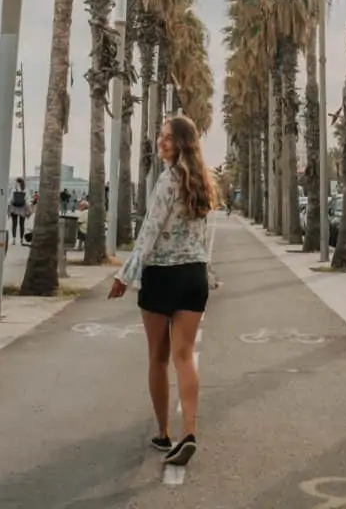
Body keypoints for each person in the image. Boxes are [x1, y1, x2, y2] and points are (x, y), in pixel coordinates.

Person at [108, 115, 215, 468]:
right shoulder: (201, 182)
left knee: (159, 357)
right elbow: (202, 237)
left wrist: (125, 274)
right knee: (184, 355)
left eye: (169, 138)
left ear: (183, 143)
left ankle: (165, 433)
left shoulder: (168, 180)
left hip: (162, 275)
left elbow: (150, 231)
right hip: (194, 277)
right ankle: (190, 431)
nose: (162, 141)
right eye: (161, 136)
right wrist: (206, 271)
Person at [9, 178, 29, 245]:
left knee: (14, 224)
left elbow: (11, 199)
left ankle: (14, 239)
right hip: (22, 208)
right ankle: (21, 239)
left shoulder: (14, 189)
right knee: (22, 224)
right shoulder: (25, 189)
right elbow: (27, 200)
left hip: (14, 208)